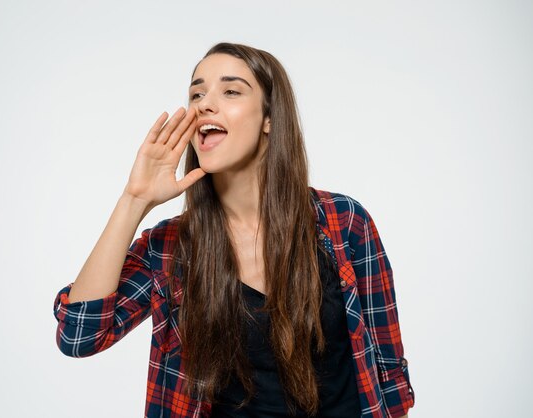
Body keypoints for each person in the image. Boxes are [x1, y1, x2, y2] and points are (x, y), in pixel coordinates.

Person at [53, 42, 415, 418]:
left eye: (230, 91)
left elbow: (388, 377)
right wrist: (134, 200)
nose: (205, 104)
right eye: (197, 93)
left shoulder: (345, 222)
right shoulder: (171, 247)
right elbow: (79, 335)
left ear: (269, 119)